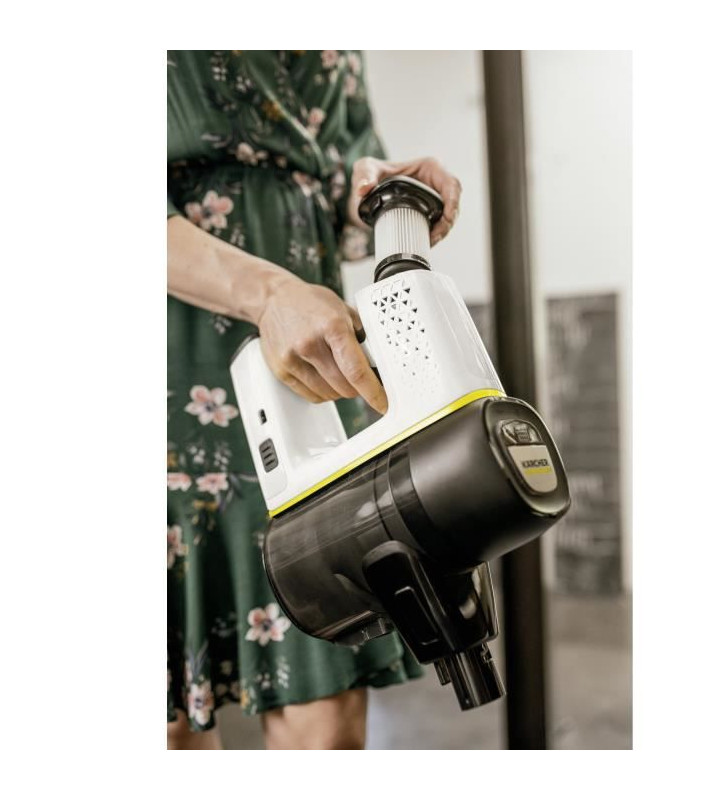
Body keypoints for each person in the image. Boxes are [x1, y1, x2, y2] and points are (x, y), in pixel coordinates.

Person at [167, 50, 462, 749]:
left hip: (313, 355)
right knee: (168, 720)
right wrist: (269, 294)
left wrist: (382, 196)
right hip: (177, 360)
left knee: (329, 711)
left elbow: (341, 196)